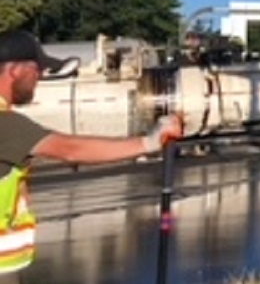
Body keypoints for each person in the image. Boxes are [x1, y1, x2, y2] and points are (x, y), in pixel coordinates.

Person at [0, 29, 183, 281]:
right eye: (36, 70)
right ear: (15, 70)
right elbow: (69, 149)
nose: (39, 78)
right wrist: (148, 142)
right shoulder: (4, 123)